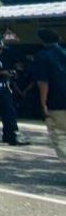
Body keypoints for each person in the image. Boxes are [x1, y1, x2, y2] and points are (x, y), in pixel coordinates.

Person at [32, 29, 66, 161]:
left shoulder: (42, 56)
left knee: (60, 135)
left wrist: (43, 103)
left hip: (56, 101)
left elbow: (43, 82)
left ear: (42, 40)